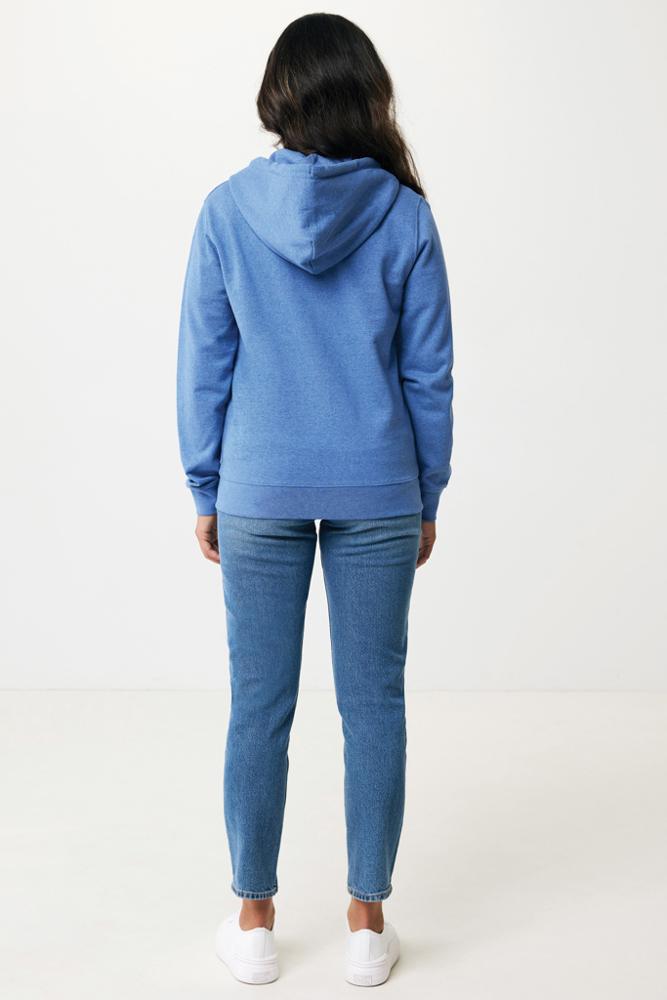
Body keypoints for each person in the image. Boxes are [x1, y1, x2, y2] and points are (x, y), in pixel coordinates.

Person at [176, 12, 454, 987]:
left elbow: (204, 363)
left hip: (257, 482)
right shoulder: (405, 215)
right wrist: (427, 490)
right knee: (373, 705)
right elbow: (427, 376)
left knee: (258, 704)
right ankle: (367, 923)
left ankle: (253, 921)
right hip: (378, 484)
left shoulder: (226, 211)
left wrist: (205, 483)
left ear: (280, 99)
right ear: (365, 97)